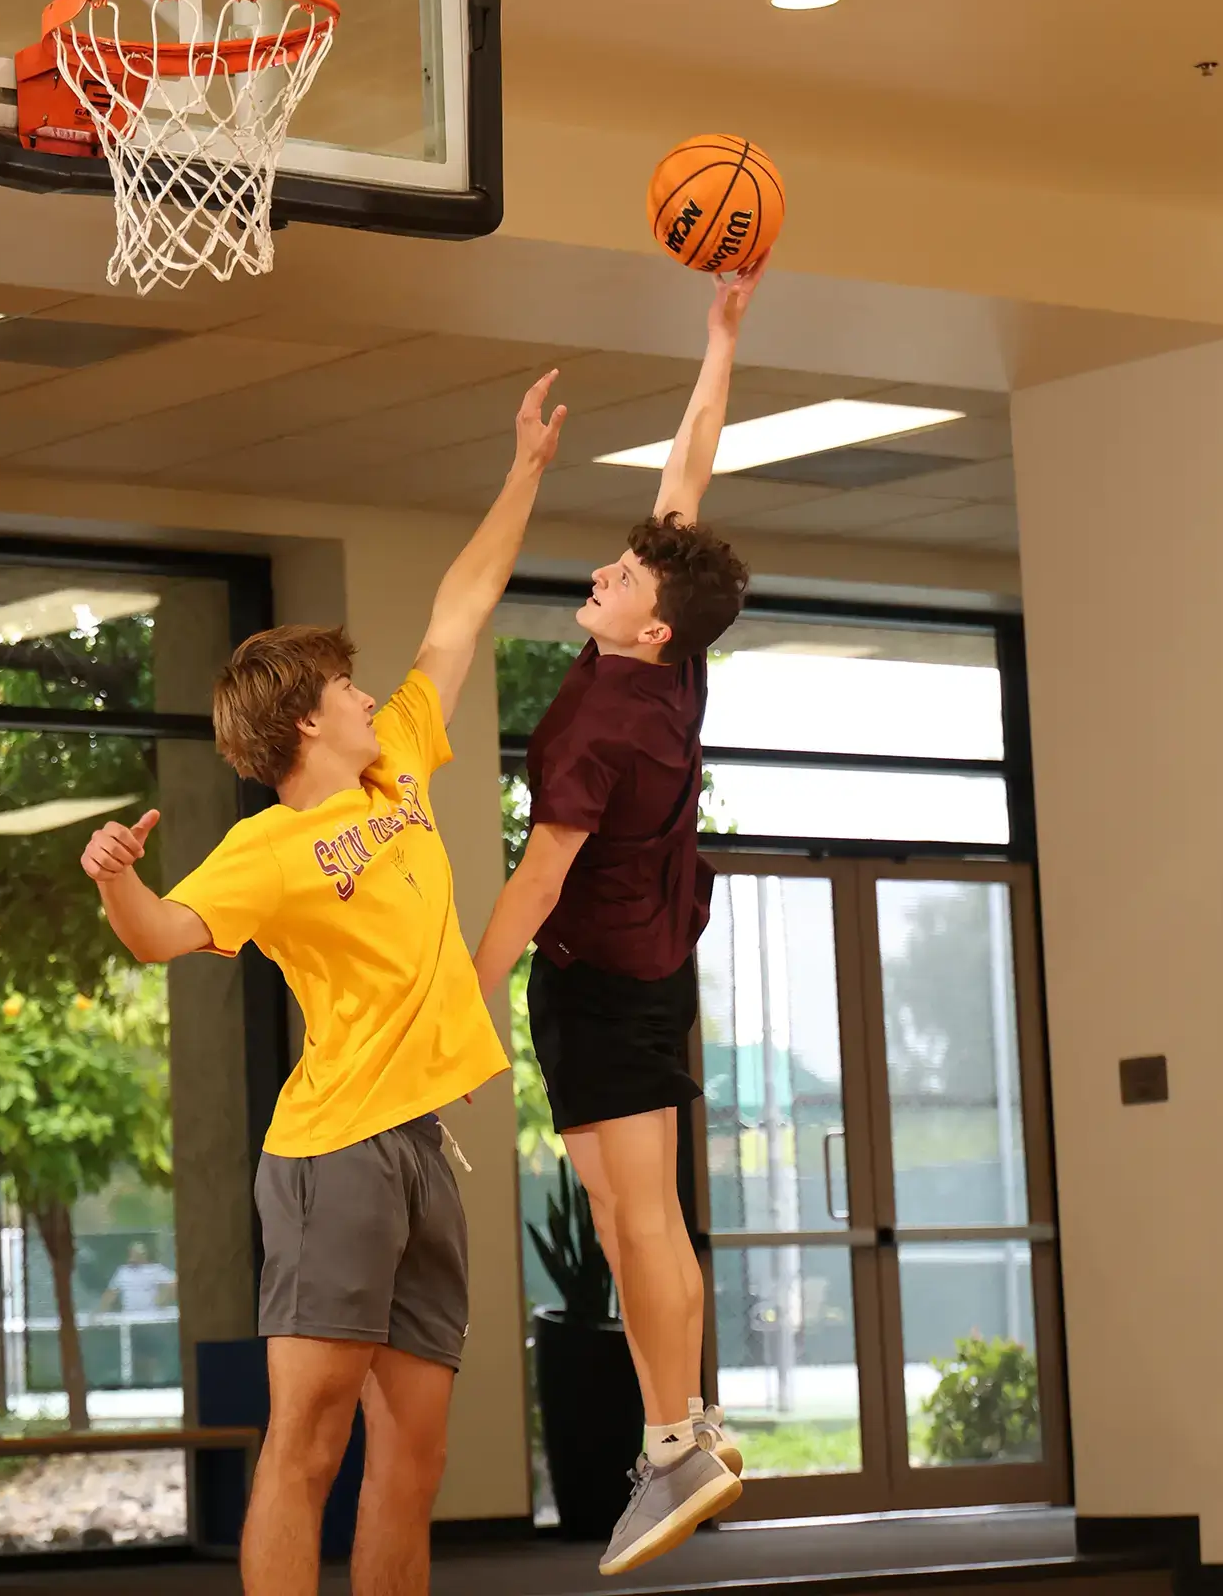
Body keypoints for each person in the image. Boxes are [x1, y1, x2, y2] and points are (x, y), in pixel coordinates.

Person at [80, 372, 566, 1596]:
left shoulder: (395, 759)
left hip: (419, 1145)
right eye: (342, 686)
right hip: (330, 1155)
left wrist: (522, 472)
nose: (367, 691)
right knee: (309, 1444)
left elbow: (460, 611)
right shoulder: (265, 851)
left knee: (418, 1449)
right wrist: (112, 881)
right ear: (303, 723)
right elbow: (161, 934)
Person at [474, 261, 765, 1576]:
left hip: (600, 984)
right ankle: (691, 1424)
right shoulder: (669, 663)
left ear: (655, 620)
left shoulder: (597, 722)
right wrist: (718, 341)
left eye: (625, 574)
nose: (606, 568)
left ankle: (671, 1448)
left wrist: (457, 993)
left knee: (635, 1220)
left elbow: (536, 888)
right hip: (653, 972)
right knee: (628, 1209)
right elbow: (688, 478)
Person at [100, 1240, 177, 1315]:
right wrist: (100, 1311)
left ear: (144, 1254)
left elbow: (175, 1283)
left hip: (151, 1317)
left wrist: (164, 1298)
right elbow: (110, 1294)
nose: (132, 1256)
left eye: (136, 1253)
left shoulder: (156, 1270)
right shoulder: (123, 1271)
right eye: (131, 1253)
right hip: (129, 1318)